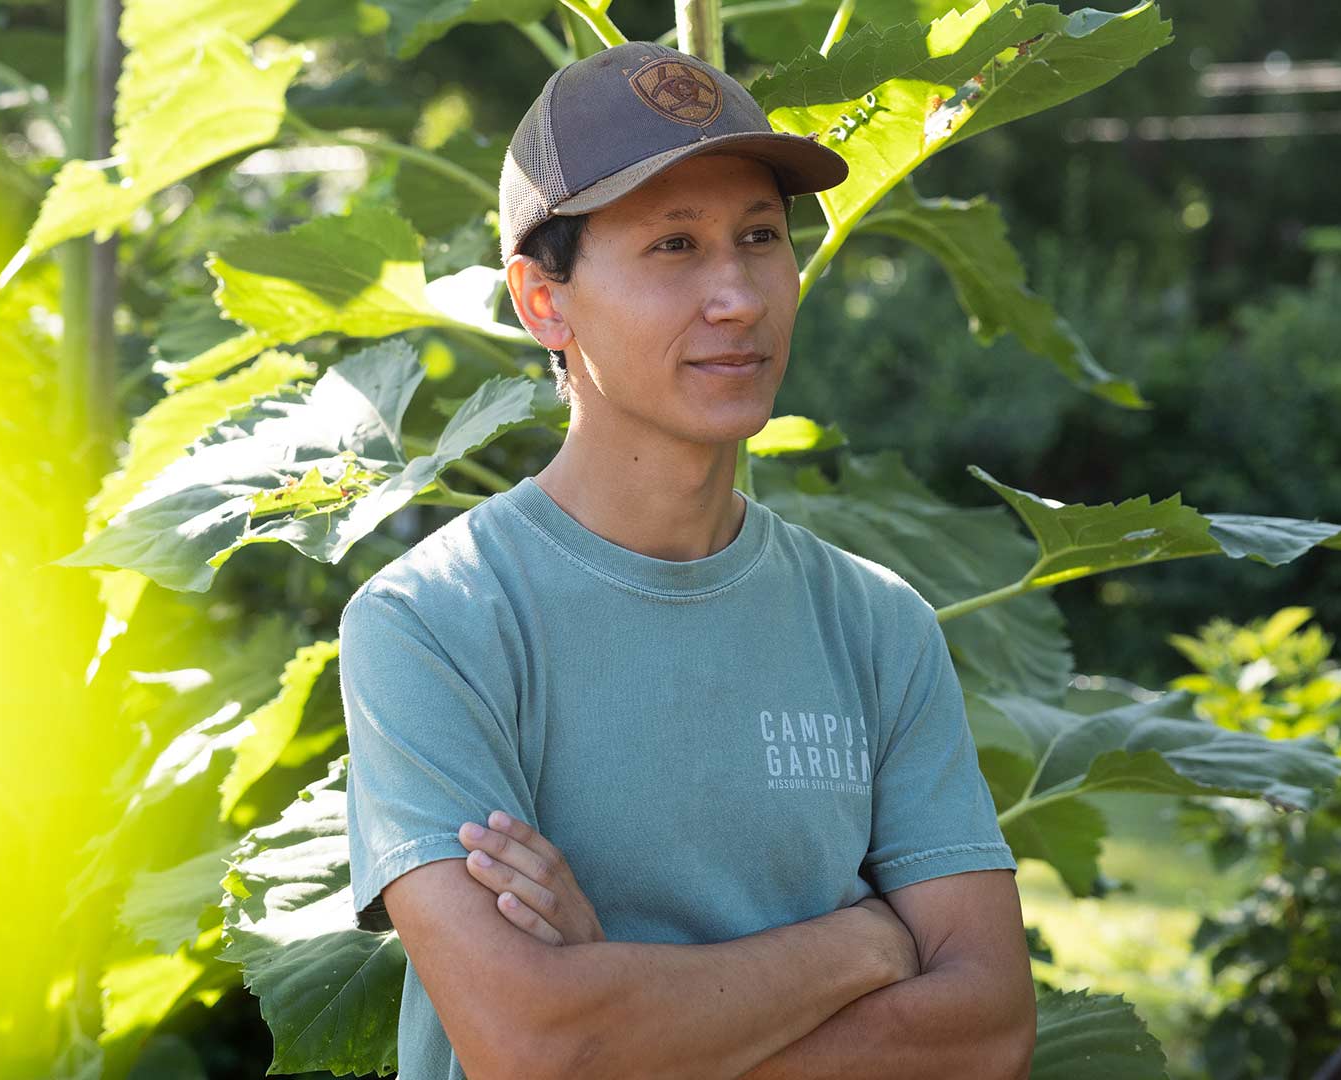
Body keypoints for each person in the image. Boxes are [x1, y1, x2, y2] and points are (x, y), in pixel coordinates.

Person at [338, 39, 1035, 1080]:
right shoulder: (435, 622)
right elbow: (540, 1045)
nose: (740, 297)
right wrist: (866, 943)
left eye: (760, 237)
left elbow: (988, 1031)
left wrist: (623, 1004)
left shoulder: (879, 626)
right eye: (674, 247)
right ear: (545, 304)